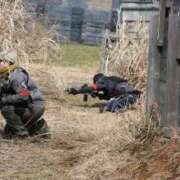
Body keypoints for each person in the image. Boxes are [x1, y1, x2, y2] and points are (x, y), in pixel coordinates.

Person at [0, 50, 49, 139]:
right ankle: (39, 127)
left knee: (5, 108)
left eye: (0, 61)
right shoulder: (7, 73)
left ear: (7, 62)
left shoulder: (16, 76)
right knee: (8, 131)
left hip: (34, 107)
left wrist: (4, 99)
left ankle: (21, 134)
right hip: (30, 106)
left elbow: (24, 95)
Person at [67, 73, 141, 112]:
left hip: (129, 95)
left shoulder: (103, 80)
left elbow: (92, 88)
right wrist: (97, 94)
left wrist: (77, 91)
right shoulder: (110, 81)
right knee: (111, 105)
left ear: (97, 80)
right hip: (133, 96)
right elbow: (107, 96)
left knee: (110, 107)